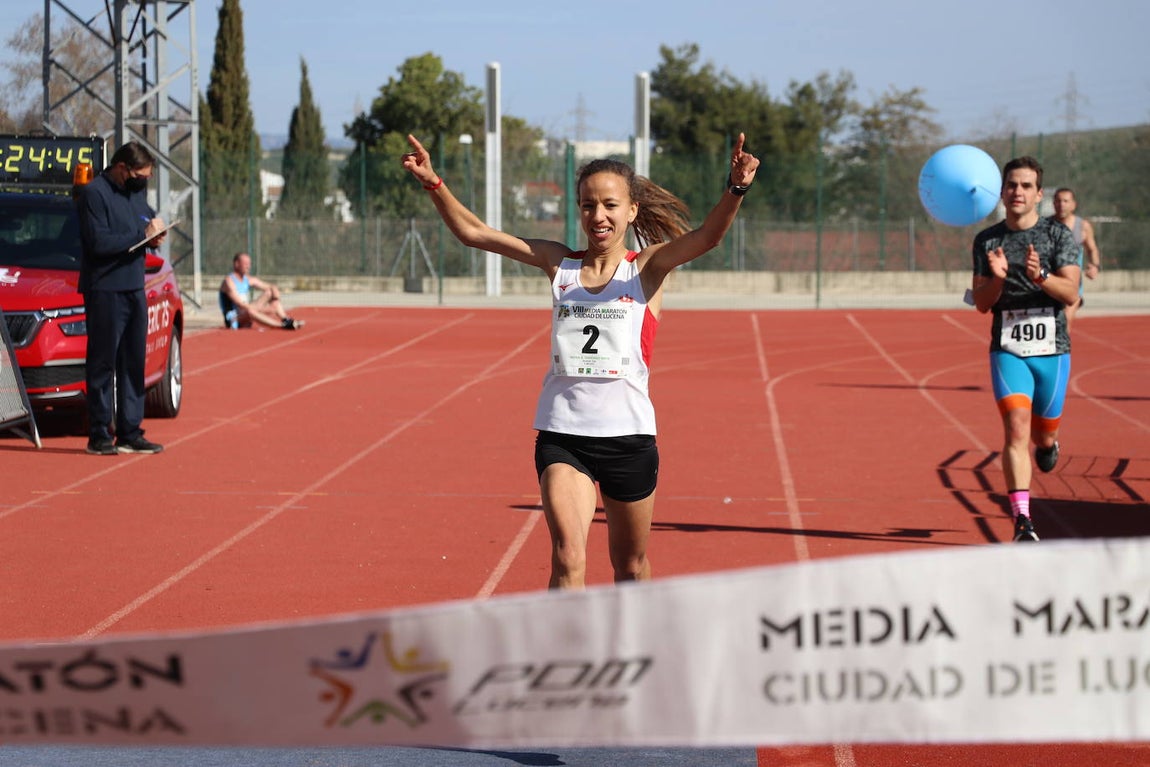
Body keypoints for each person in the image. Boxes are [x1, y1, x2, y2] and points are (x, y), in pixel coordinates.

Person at [401, 132, 759, 589]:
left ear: (631, 211)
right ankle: (568, 654)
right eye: (588, 205)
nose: (598, 215)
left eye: (610, 205)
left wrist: (737, 187)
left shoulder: (645, 269)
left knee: (629, 567)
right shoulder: (560, 264)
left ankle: (637, 641)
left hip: (628, 437)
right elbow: (475, 233)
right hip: (563, 435)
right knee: (568, 557)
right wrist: (433, 182)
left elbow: (708, 238)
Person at [971, 156, 1080, 543]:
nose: (1018, 192)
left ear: (1038, 194)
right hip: (1008, 347)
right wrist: (997, 280)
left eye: (1026, 186)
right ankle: (1022, 521)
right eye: (1012, 185)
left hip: (1053, 348)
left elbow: (1072, 292)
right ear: (1002, 192)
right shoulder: (988, 240)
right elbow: (982, 302)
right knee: (1016, 428)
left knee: (1042, 438)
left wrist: (1042, 276)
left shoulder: (1057, 236)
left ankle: (1050, 443)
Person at [76, 140, 168, 456]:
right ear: (122, 168)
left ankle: (130, 431)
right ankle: (99, 433)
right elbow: (98, 242)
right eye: (140, 175)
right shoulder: (93, 194)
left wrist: (156, 232)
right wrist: (139, 238)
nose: (143, 181)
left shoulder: (136, 193)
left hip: (134, 287)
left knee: (133, 362)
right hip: (104, 289)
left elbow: (145, 220)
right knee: (102, 363)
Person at [1050, 187, 1101, 328]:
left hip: (1072, 284)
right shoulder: (1045, 225)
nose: (1062, 204)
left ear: (1073, 204)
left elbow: (1092, 249)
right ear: (1053, 203)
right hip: (1049, 283)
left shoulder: (1082, 226)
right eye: (1058, 201)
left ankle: (1063, 349)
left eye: (1066, 201)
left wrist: (1094, 266)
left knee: (1064, 323)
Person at [218, 252, 304, 330]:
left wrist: (275, 291)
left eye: (249, 264)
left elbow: (269, 287)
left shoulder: (247, 279)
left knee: (270, 294)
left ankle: (286, 320)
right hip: (234, 318)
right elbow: (241, 305)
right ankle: (281, 325)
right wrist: (266, 309)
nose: (249, 266)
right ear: (237, 264)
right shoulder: (229, 281)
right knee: (250, 310)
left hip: (247, 312)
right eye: (246, 264)